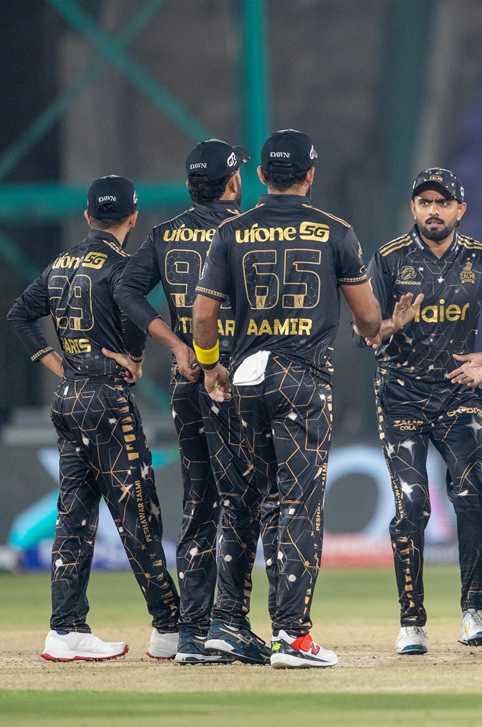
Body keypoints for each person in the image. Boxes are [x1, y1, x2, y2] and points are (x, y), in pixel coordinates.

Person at [192, 129, 381, 668]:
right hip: (301, 380)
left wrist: (210, 368)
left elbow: (203, 317)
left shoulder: (231, 232)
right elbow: (367, 319)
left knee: (244, 502)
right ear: (311, 175)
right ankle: (293, 637)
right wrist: (378, 326)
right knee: (298, 505)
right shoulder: (336, 233)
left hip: (245, 378)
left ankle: (227, 623)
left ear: (259, 177)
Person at [7, 176, 179, 661]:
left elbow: (19, 315)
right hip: (106, 398)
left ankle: (65, 630)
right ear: (133, 218)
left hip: (68, 399)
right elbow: (132, 307)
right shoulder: (124, 266)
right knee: (138, 514)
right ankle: (170, 627)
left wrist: (59, 364)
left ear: (87, 217)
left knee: (74, 514)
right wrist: (133, 357)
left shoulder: (60, 265)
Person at [115, 140, 250, 664]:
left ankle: (190, 633)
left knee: (199, 502)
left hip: (187, 381)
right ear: (233, 183)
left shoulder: (165, 234)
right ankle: (226, 626)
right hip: (236, 379)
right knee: (242, 502)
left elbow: (126, 292)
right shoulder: (249, 229)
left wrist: (176, 346)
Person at [357, 168, 482, 655]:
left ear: (461, 209)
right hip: (401, 394)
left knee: (472, 495)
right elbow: (366, 335)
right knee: (411, 504)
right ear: (413, 208)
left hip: (458, 395)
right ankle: (411, 622)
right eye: (424, 202)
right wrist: (390, 325)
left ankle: (474, 612)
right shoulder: (390, 258)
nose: (433, 210)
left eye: (443, 202)